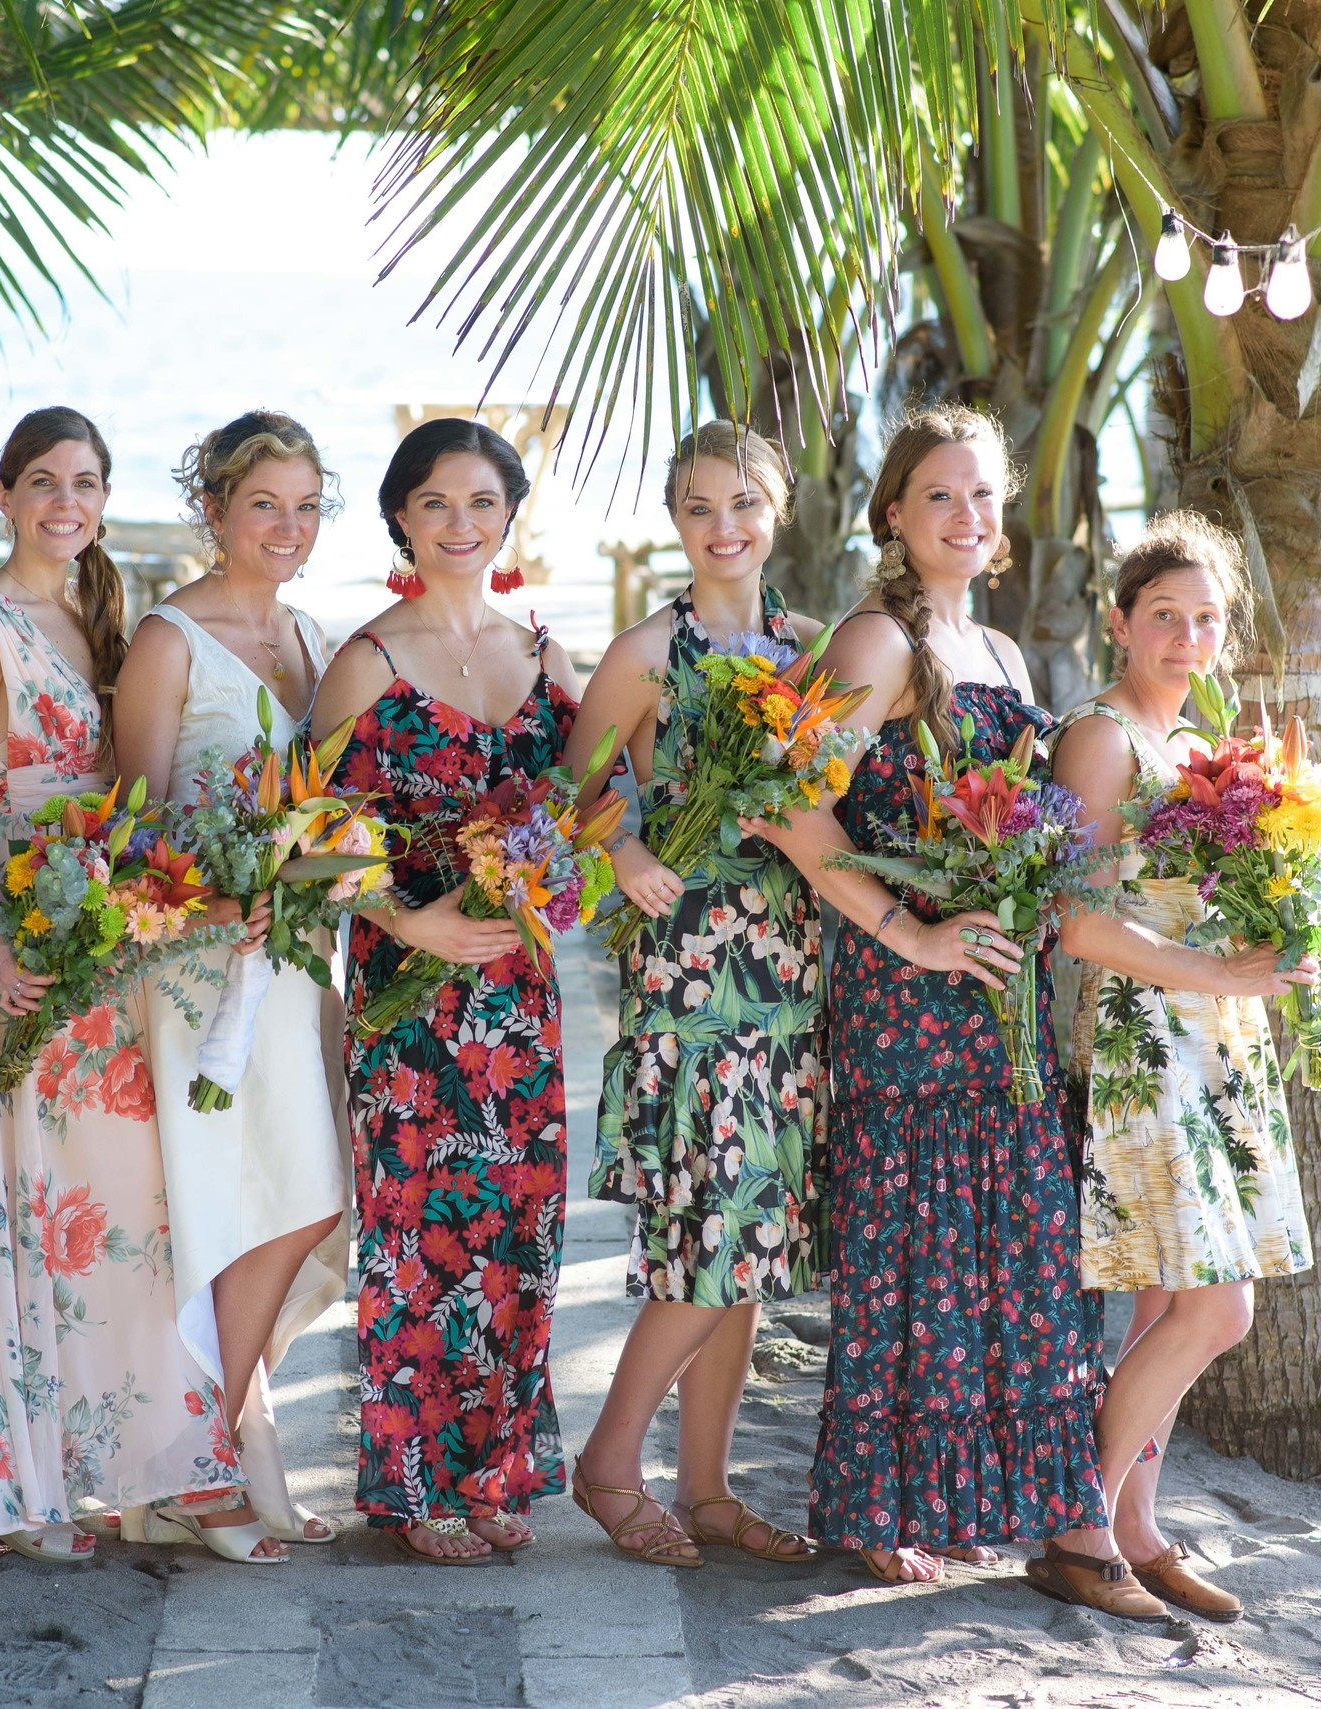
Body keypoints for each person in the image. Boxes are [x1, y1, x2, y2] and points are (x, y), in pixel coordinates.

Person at [756, 402, 1138, 1611]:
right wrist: (908, 932)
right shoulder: (875, 640)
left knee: (999, 1238)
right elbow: (789, 806)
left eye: (983, 495)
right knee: (908, 1244)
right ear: (892, 514)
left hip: (998, 992)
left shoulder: (1006, 652)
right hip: (905, 991)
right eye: (939, 496)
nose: (966, 517)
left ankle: (970, 1498)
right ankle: (876, 1506)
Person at [0, 407, 242, 1563]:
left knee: (116, 1220)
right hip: (9, 944)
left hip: (102, 944)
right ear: (2, 495)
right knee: (23, 1213)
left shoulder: (102, 615)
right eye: (44, 481)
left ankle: (132, 1462)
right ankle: (27, 1477)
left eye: (86, 482)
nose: (66, 501)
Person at [310, 417, 577, 1565]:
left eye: (480, 502)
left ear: (508, 516)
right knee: (415, 1234)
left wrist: (562, 888)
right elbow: (311, 828)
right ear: (400, 519)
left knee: (520, 1228)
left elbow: (585, 822)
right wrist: (405, 916)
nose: (460, 524)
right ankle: (412, 1485)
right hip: (411, 992)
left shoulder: (547, 654)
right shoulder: (366, 660)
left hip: (519, 995)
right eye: (435, 503)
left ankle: (494, 1470)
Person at [559, 423, 824, 1568]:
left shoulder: (813, 652)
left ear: (779, 508)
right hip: (692, 968)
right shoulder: (644, 651)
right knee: (719, 1217)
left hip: (793, 966)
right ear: (675, 519)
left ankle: (707, 1485)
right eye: (699, 506)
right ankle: (609, 1460)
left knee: (755, 1236)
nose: (725, 527)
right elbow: (564, 798)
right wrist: (618, 855)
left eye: (745, 503)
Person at [1051, 511, 1317, 1622]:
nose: (1185, 634)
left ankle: (1133, 1526)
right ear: (1119, 620)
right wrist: (1220, 970)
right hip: (1144, 1043)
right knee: (1219, 1310)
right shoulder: (1102, 735)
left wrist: (1271, 935)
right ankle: (1077, 1521)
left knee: (1169, 1298)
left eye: (1206, 618)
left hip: (1213, 1038)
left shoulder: (1197, 749)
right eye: (1164, 613)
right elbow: (1076, 921)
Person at [110, 411, 350, 1560]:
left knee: (302, 1191)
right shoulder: (169, 641)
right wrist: (219, 900)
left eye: (307, 506)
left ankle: (223, 1445)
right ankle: (212, 1452)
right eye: (265, 504)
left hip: (299, 958)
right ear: (212, 507)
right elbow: (128, 833)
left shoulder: (309, 635)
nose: (288, 527)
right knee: (256, 1195)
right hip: (202, 964)